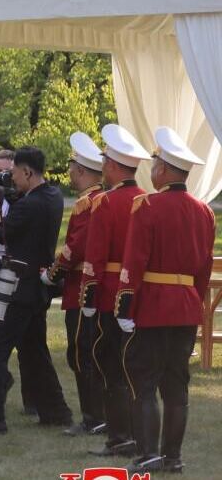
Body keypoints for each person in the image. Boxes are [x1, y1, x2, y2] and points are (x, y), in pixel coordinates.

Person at [116, 127, 215, 475]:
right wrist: (196, 307)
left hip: (153, 307)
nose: (153, 169)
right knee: (176, 387)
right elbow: (202, 272)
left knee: (143, 383)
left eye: (156, 162)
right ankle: (172, 457)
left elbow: (134, 262)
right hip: (186, 307)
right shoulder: (205, 211)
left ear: (165, 170)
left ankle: (147, 456)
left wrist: (124, 306)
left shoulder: (147, 206)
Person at [0, 146, 73, 433]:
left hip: (17, 286)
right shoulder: (53, 196)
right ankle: (56, 410)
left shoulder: (27, 205)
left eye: (13, 174)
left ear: (27, 172)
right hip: (37, 286)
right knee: (35, 351)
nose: (10, 179)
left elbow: (1, 232)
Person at [81, 124, 151, 457]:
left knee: (109, 364)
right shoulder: (147, 201)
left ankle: (119, 436)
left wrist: (88, 299)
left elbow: (94, 257)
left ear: (112, 164)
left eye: (106, 160)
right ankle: (137, 434)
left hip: (110, 295)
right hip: (141, 296)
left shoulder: (105, 203)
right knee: (134, 366)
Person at [42, 132, 106, 437]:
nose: (68, 173)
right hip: (98, 287)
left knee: (81, 354)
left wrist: (52, 274)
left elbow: (74, 248)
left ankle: (94, 417)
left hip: (82, 288)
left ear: (81, 170)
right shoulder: (100, 199)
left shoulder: (87, 204)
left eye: (71, 168)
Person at [0, 148, 37, 418]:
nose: (0, 178)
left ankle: (31, 400)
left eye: (6, 173)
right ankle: (0, 382)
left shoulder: (24, 201)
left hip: (17, 277)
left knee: (25, 343)